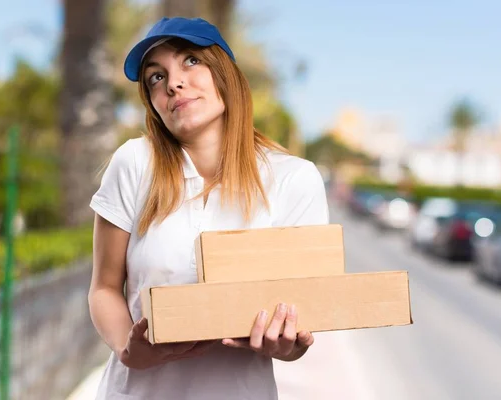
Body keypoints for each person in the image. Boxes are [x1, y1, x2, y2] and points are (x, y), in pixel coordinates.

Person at [88, 16, 329, 399]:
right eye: (156, 77)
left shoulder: (294, 180)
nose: (173, 83)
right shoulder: (133, 163)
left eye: (190, 61)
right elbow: (103, 288)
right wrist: (129, 350)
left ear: (224, 72)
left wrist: (289, 346)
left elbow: (305, 317)